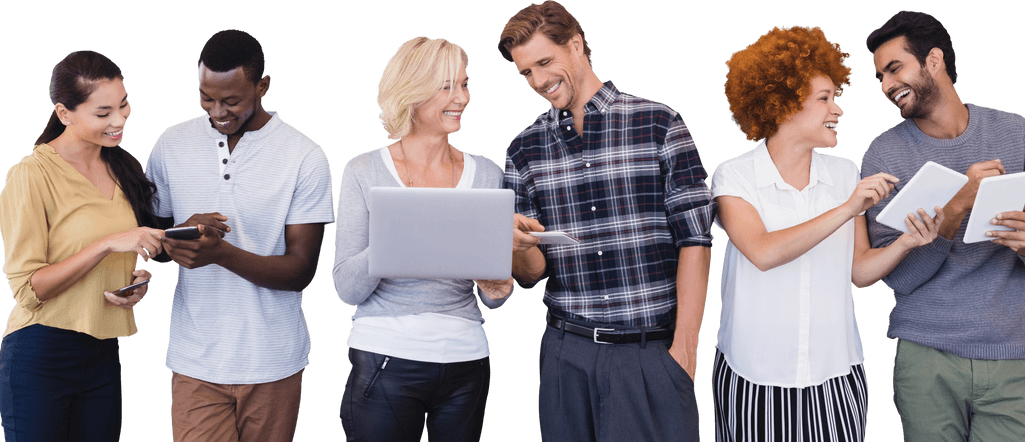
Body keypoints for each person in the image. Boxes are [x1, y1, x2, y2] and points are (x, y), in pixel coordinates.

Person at [713, 26, 946, 442]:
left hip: (836, 375)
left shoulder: (844, 174)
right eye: (824, 100)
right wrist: (847, 209)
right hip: (753, 376)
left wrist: (909, 241)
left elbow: (859, 271)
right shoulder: (734, 175)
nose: (837, 110)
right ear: (783, 105)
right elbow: (763, 253)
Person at [498, 1, 713, 440]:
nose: (538, 81)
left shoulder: (660, 124)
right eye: (526, 73)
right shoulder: (523, 150)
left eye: (544, 62)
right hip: (565, 356)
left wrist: (685, 348)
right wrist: (519, 248)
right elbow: (531, 274)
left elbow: (696, 240)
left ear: (575, 45)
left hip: (650, 353)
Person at [863, 11, 1025, 441]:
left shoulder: (1019, 134)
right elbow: (899, 277)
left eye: (894, 68)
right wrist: (958, 205)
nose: (885, 86)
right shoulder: (883, 156)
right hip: (926, 361)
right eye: (880, 76)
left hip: (1010, 359)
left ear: (934, 60)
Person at [144, 29, 334, 442]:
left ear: (263, 86)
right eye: (206, 97)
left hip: (273, 363)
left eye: (231, 100)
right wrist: (178, 235)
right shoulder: (170, 144)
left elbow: (300, 270)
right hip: (196, 360)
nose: (217, 111)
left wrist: (220, 254)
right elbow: (152, 242)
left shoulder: (304, 156)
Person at [332, 36, 514, 442]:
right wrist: (402, 237)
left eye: (464, 84)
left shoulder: (486, 173)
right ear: (412, 93)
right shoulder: (363, 171)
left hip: (468, 361)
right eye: (447, 86)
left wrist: (498, 289)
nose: (462, 98)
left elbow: (492, 295)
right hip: (386, 359)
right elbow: (347, 287)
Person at [0, 49, 163, 441]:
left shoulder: (123, 167)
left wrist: (131, 280)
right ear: (64, 113)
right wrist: (107, 244)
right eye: (103, 113)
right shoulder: (31, 175)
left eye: (123, 105)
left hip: (102, 356)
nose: (119, 119)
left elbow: (115, 251)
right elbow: (28, 289)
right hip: (40, 355)